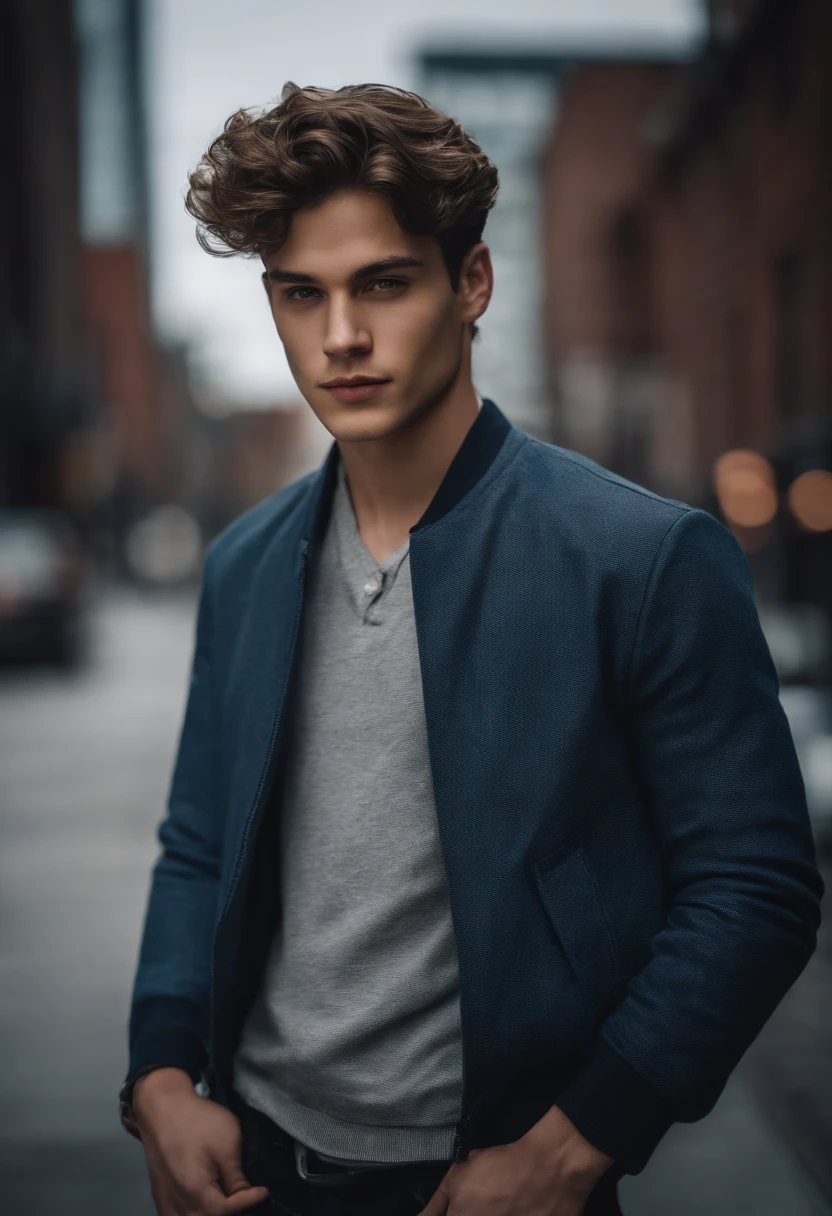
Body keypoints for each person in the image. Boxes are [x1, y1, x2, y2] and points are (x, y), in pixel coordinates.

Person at [119, 82, 824, 1216]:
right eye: (301, 295)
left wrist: (582, 1136)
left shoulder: (640, 557)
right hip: (258, 1173)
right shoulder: (244, 565)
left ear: (471, 283)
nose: (340, 335)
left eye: (383, 284)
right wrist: (159, 1074)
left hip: (498, 1177)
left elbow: (753, 887)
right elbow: (199, 844)